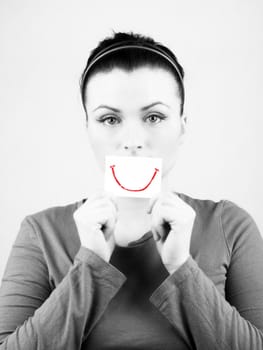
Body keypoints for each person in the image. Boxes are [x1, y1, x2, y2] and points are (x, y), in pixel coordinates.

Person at [0, 31, 263, 350]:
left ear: (182, 126)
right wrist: (91, 265)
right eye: (109, 119)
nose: (133, 139)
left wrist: (182, 267)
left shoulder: (230, 225)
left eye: (154, 116)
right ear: (88, 130)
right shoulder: (40, 233)